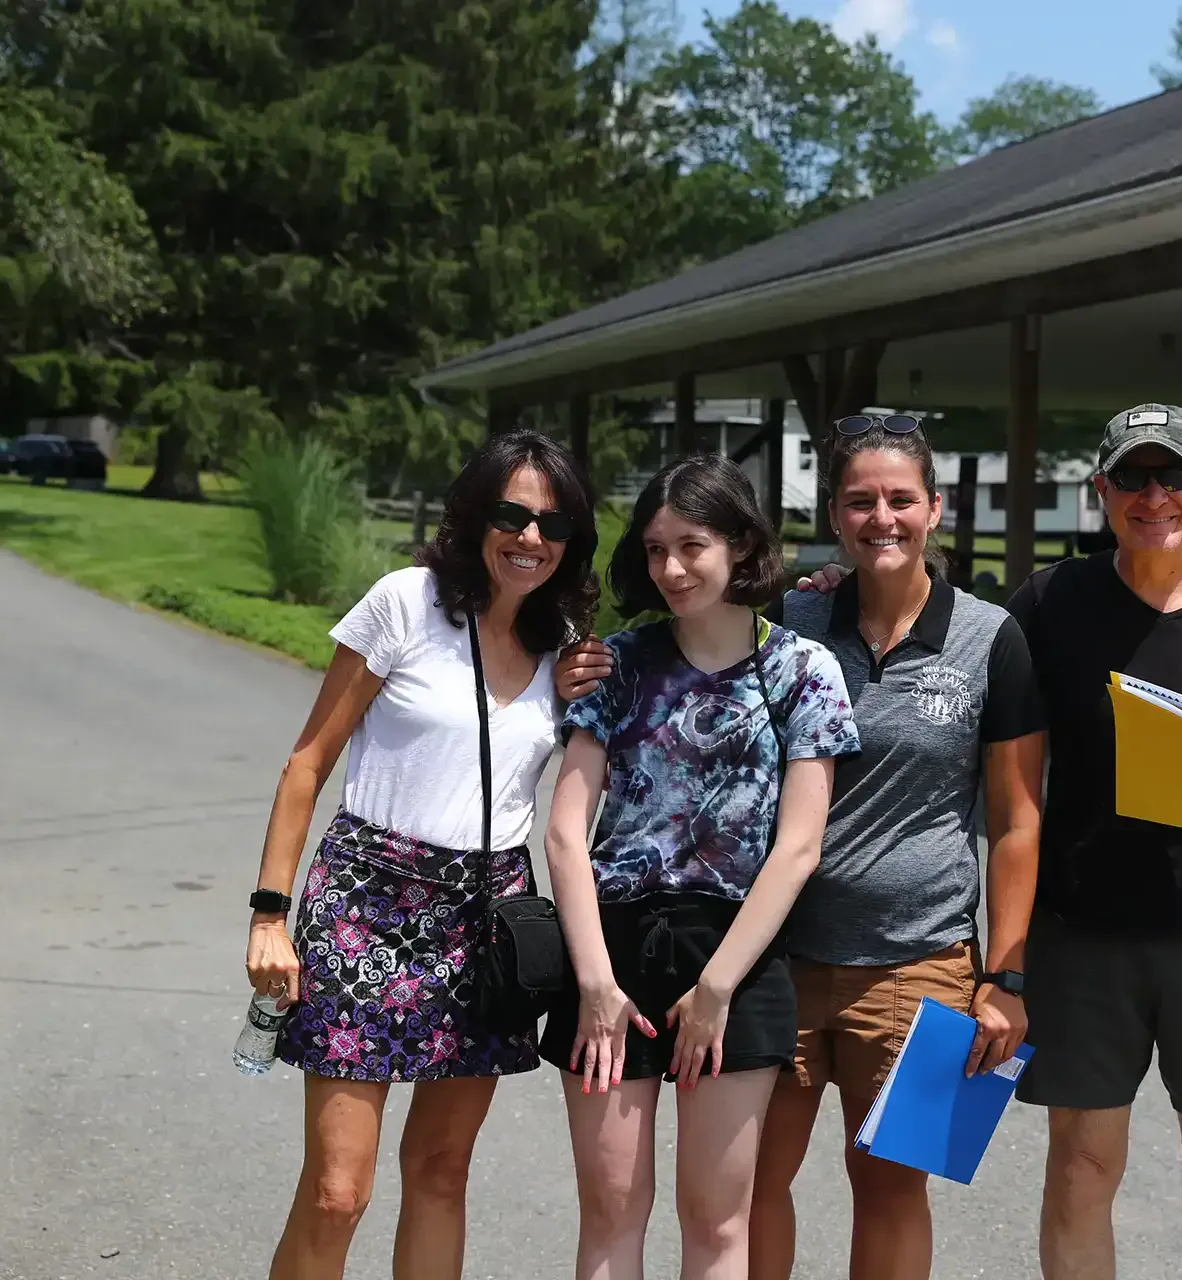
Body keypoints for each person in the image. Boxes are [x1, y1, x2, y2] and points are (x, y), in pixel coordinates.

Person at [785, 403, 1182, 1280]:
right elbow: (949, 636)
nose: (1153, 495)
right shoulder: (1052, 603)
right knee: (1082, 1170)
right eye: (1132, 477)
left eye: (1173, 477)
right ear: (1102, 491)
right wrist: (844, 578)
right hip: (1085, 934)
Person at [244, 430, 600, 1280]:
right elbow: (308, 763)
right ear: (476, 515)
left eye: (552, 524)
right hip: (365, 901)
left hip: (486, 920)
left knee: (441, 1173)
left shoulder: (567, 646)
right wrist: (269, 914)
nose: (530, 537)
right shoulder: (407, 603)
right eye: (512, 514)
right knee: (339, 1189)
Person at [541, 454, 861, 1280]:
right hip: (611, 952)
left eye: (692, 546)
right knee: (611, 1209)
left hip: (736, 959)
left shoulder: (801, 672)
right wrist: (593, 983)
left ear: (740, 545)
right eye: (655, 550)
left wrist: (718, 987)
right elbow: (567, 831)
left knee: (718, 1221)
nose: (673, 569)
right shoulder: (622, 663)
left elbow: (799, 845)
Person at [744, 416, 1047, 1280]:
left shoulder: (992, 640)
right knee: (753, 1179)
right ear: (836, 515)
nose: (883, 517)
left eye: (901, 499)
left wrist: (1007, 978)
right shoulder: (789, 622)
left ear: (935, 509)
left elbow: (1018, 820)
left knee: (890, 1188)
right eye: (861, 500)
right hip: (776, 959)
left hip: (924, 967)